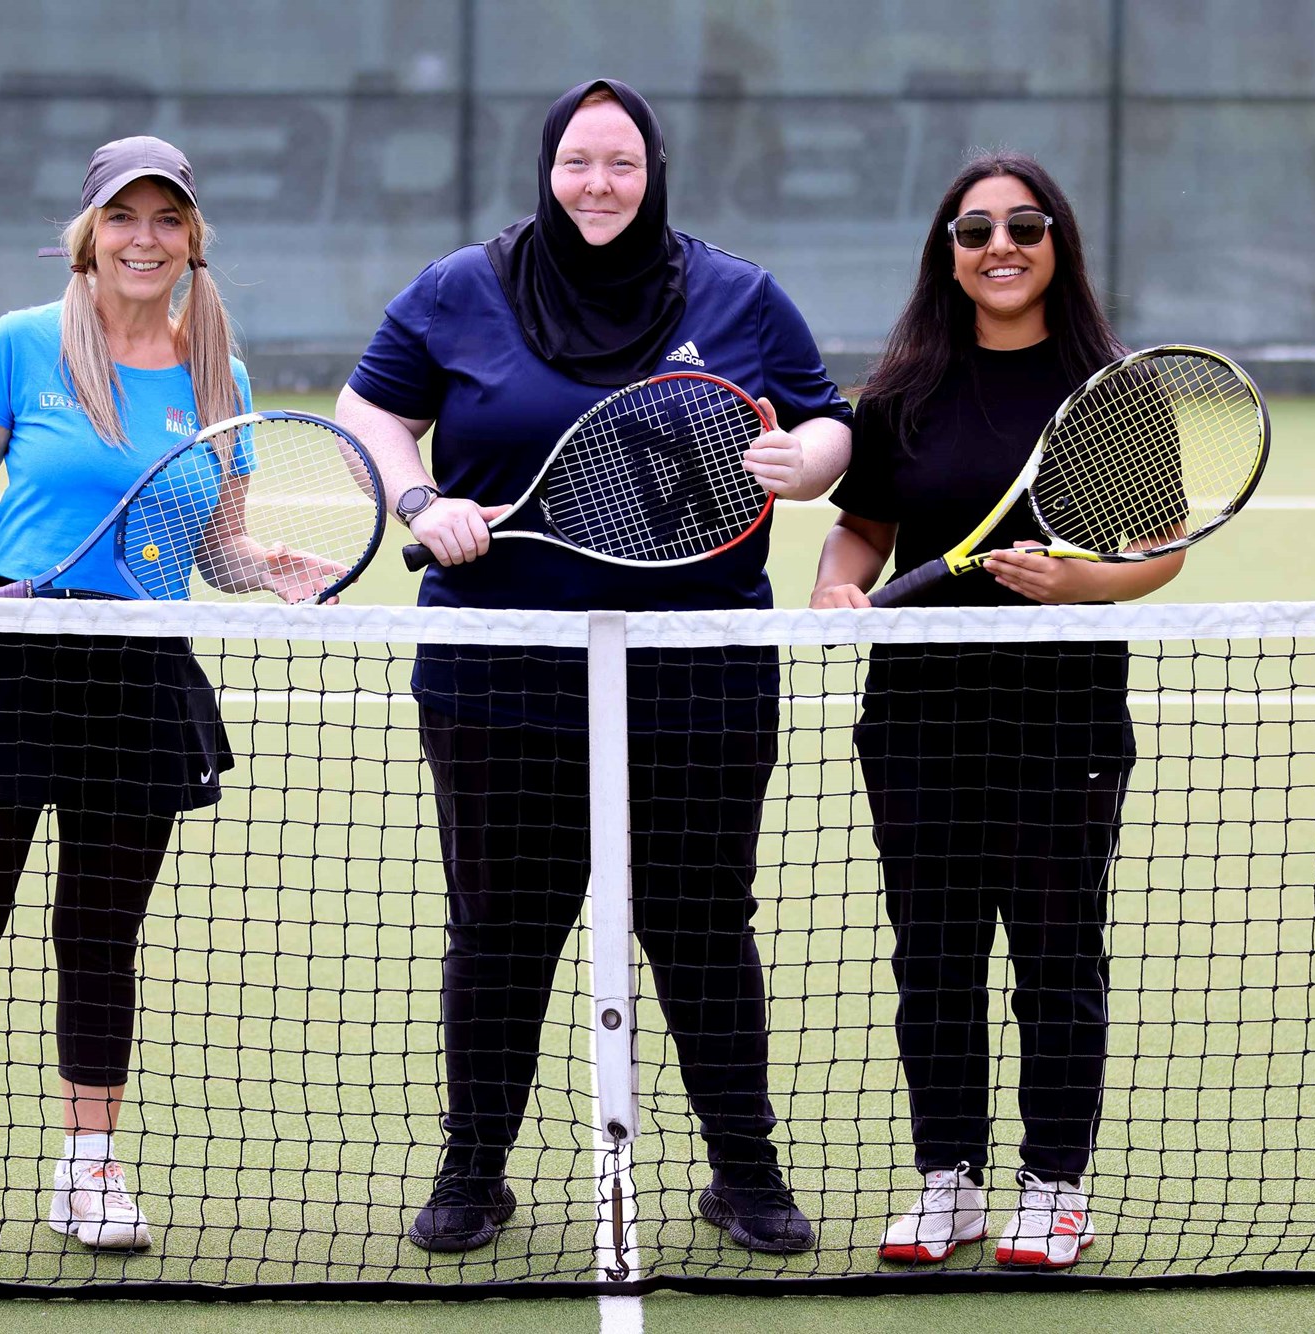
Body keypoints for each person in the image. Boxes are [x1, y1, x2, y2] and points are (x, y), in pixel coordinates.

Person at [336, 79, 852, 1255]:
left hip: (698, 672)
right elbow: (369, 408)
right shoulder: (459, 287)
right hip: (497, 676)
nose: (598, 184)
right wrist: (420, 495)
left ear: (655, 168)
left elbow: (827, 424)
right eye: (577, 160)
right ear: (547, 167)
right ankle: (472, 1173)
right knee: (501, 928)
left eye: (620, 162)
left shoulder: (737, 295)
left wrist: (800, 457)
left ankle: (745, 1174)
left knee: (701, 924)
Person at [0, 135, 296, 1267]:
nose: (142, 238)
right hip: (11, 661)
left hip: (141, 676)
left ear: (193, 237)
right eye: (122, 218)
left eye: (165, 218)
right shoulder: (22, 343)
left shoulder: (219, 379)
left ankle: (89, 1170)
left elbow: (218, 546)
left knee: (101, 934)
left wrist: (265, 564)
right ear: (88, 234)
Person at [811, 150, 1184, 1270]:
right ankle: (946, 1181)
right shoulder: (899, 392)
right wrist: (836, 581)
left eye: (1023, 225)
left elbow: (1155, 551)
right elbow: (864, 529)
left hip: (1061, 721)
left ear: (1055, 242)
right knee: (932, 957)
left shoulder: (1111, 390)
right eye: (974, 232)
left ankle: (1051, 1186)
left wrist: (1082, 583)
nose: (1000, 247)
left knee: (1056, 958)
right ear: (947, 255)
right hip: (918, 719)